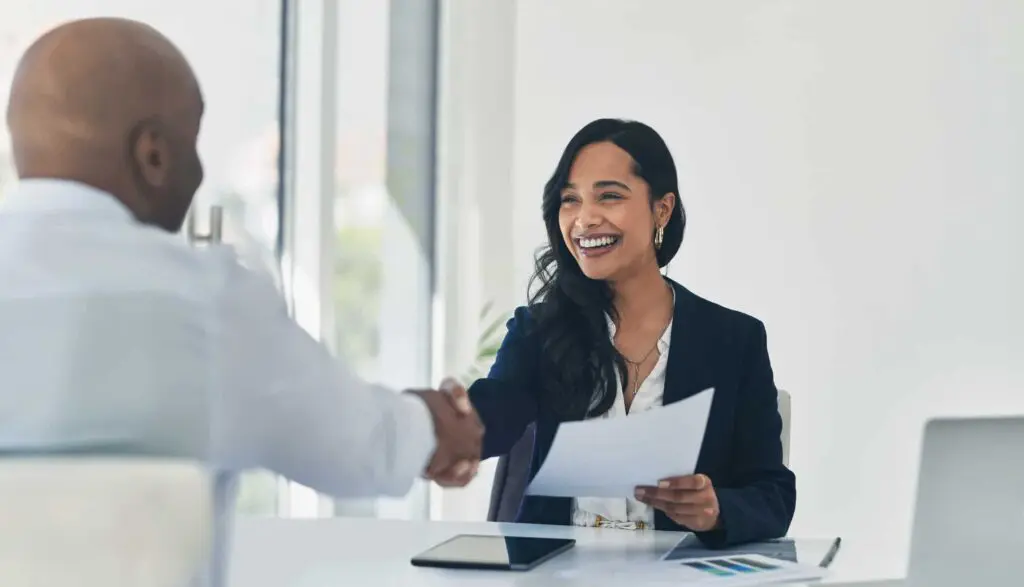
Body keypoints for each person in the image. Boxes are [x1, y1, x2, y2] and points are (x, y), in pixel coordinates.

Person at [0, 17, 480, 586]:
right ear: (153, 155)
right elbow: (362, 445)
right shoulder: (202, 298)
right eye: (192, 143)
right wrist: (440, 429)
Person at [430, 119, 795, 547]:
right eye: (570, 200)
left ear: (662, 209)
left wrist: (715, 510)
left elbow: (772, 492)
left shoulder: (734, 340)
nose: (585, 219)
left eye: (609, 196)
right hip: (555, 574)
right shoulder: (539, 332)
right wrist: (437, 428)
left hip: (678, 578)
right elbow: (494, 413)